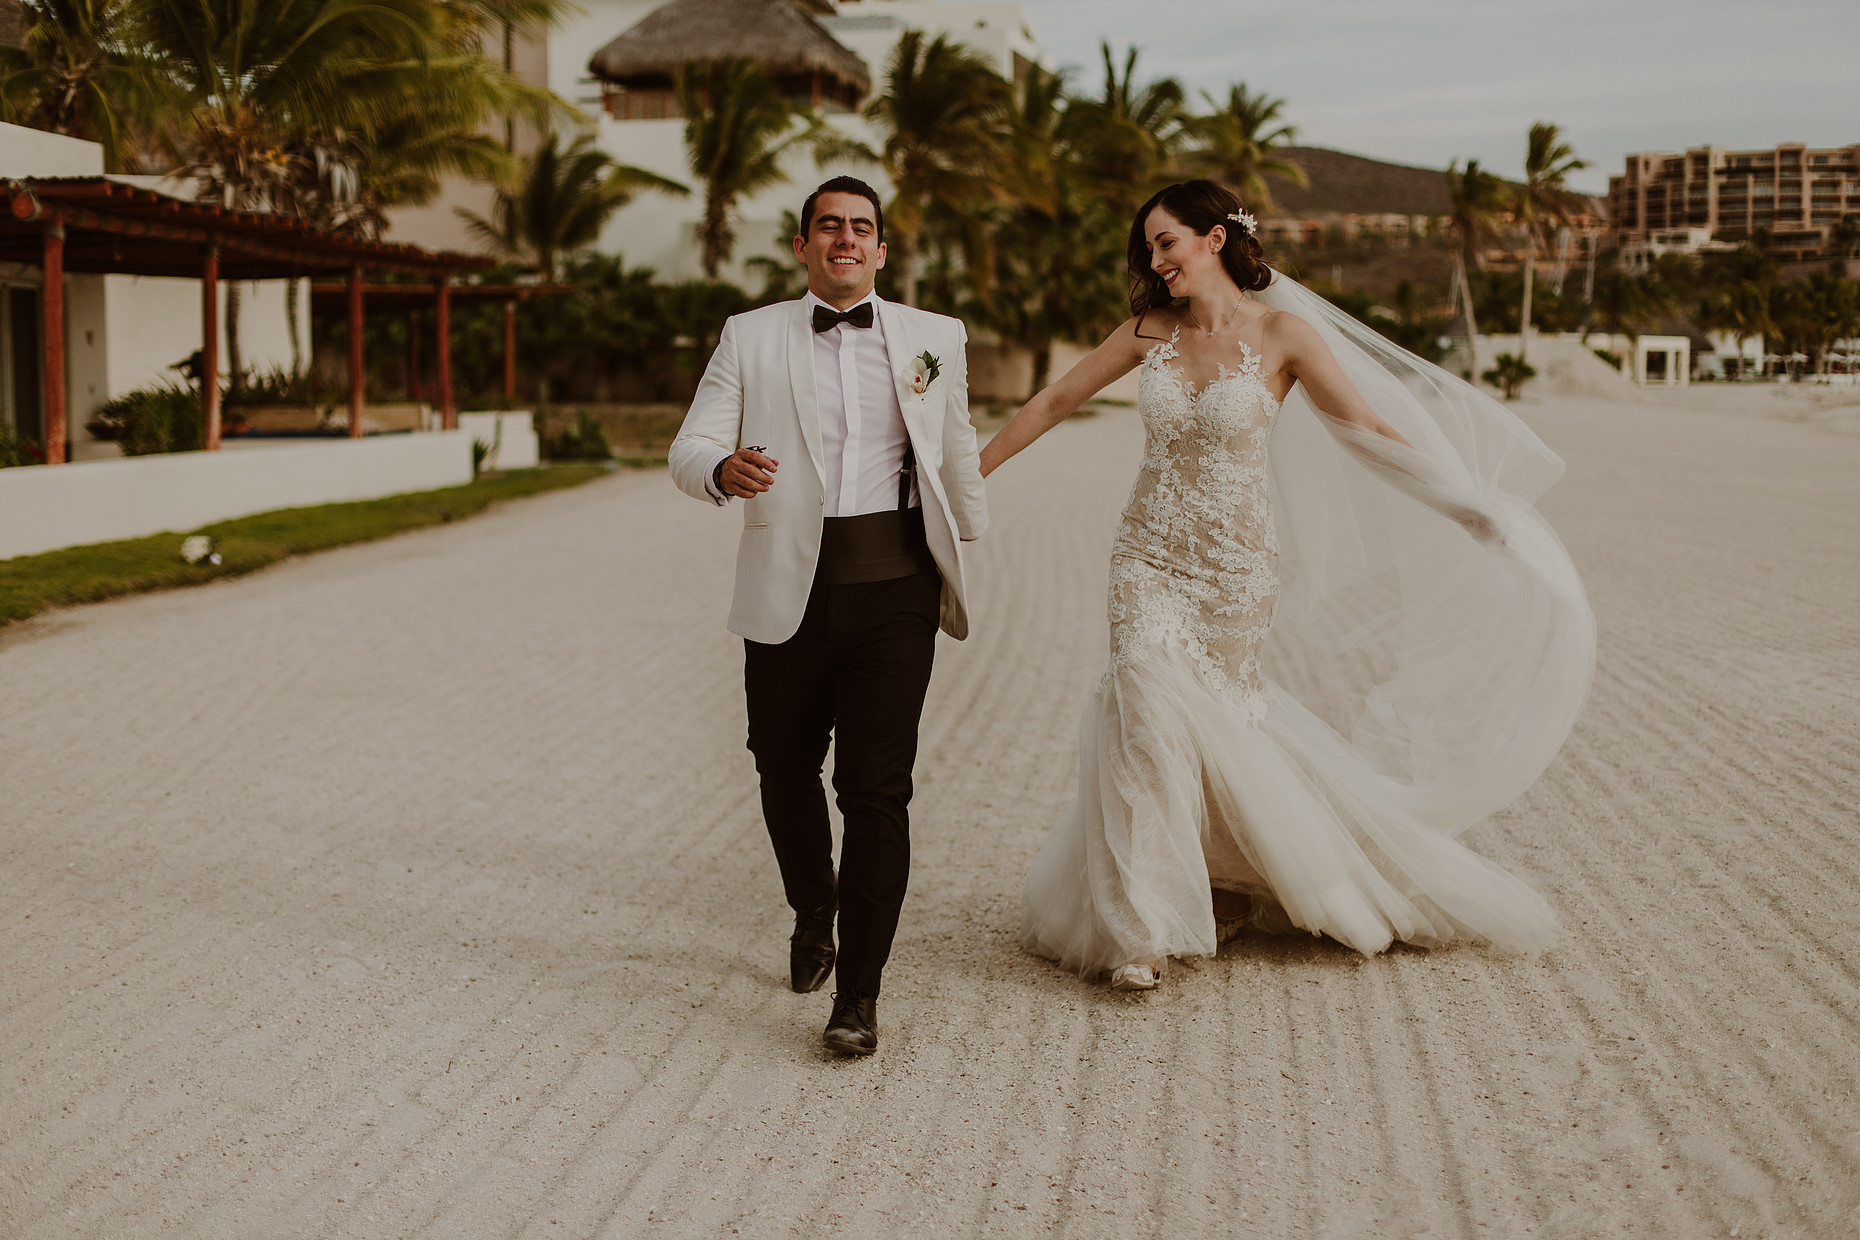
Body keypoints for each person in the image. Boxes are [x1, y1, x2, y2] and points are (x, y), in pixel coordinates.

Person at [981, 180, 1595, 989]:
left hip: (1235, 569)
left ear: (1214, 239)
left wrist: (1465, 506)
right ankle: (1147, 926)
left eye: (1168, 242)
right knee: (1145, 706)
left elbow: (1368, 432)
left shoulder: (1285, 337)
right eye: (1150, 249)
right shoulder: (1146, 334)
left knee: (1221, 728)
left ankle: (1231, 883)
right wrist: (969, 476)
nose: (1156, 261)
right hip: (1147, 555)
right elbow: (1057, 398)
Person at [668, 177, 989, 1052]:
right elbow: (688, 443)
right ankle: (815, 905)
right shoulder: (751, 334)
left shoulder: (935, 339)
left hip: (896, 590)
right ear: (804, 246)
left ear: (882, 250)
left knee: (877, 791)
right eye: (828, 227)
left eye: (862, 228)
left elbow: (953, 445)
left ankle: (859, 995)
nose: (845, 239)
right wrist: (718, 468)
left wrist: (972, 544)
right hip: (788, 590)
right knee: (781, 765)